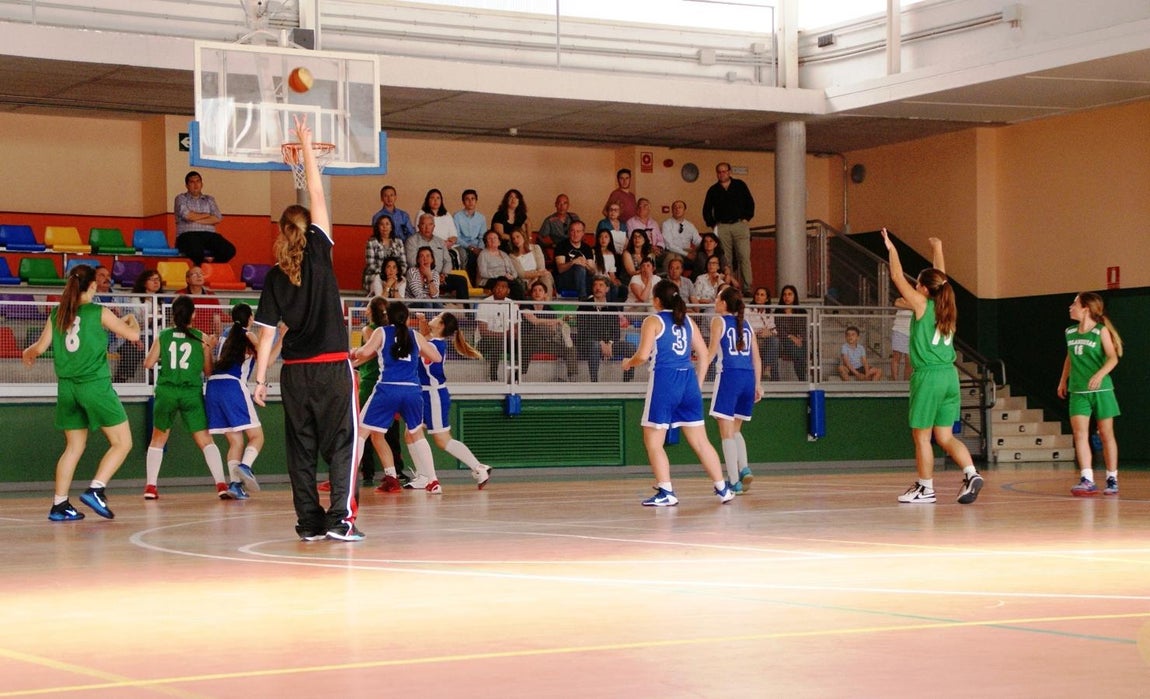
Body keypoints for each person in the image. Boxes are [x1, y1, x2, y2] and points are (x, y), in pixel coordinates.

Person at [252, 115, 363, 542]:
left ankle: (309, 524)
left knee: (301, 451)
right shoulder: (319, 251)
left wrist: (259, 380)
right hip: (332, 368)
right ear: (311, 228)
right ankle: (340, 520)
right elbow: (316, 192)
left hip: (295, 373)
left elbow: (266, 335)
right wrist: (306, 149)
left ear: (282, 233)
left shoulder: (274, 277)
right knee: (342, 445)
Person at [22, 264, 140, 521]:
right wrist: (133, 320)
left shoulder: (58, 313)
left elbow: (39, 348)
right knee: (122, 443)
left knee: (73, 447)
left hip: (67, 388)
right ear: (93, 285)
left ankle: (59, 504)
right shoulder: (99, 311)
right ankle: (96, 489)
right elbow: (133, 336)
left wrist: (27, 353)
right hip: (94, 385)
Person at [882, 228, 984, 505]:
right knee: (945, 436)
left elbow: (896, 276)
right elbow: (942, 278)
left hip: (928, 376)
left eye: (918, 285)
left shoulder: (923, 304)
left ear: (925, 290)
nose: (915, 288)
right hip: (950, 376)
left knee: (922, 437)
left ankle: (925, 488)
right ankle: (971, 473)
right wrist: (938, 248)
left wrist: (892, 249)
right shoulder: (946, 304)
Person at [621, 280, 734, 507]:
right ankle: (723, 488)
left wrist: (628, 363)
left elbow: (642, 356)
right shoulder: (688, 320)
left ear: (656, 300)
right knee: (701, 442)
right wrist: (697, 384)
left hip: (665, 381)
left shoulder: (653, 320)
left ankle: (666, 491)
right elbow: (704, 355)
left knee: (653, 441)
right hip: (688, 381)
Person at [142, 295, 232, 500]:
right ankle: (221, 484)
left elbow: (148, 363)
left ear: (173, 314)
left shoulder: (164, 335)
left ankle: (150, 487)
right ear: (194, 314)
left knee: (158, 439)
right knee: (205, 440)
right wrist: (209, 348)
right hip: (191, 392)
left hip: (167, 391)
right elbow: (208, 371)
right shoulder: (201, 338)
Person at [351, 300, 445, 493]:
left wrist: (354, 352)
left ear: (387, 316)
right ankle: (433, 480)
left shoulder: (381, 332)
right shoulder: (415, 335)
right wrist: (421, 349)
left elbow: (365, 351)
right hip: (412, 390)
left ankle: (348, 479)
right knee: (417, 434)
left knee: (362, 432)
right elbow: (436, 357)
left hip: (387, 388)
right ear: (407, 318)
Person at [1057, 291, 1123, 496]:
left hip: (1101, 390)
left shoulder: (1100, 331)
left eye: (1074, 304)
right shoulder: (1069, 332)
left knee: (1105, 433)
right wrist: (1063, 380)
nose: (1070, 307)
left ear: (1085, 309)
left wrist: (1099, 374)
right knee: (1079, 434)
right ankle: (1087, 478)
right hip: (1078, 390)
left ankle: (1112, 478)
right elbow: (1069, 358)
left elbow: (1113, 357)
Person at [420, 312, 493, 489]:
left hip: (433, 396)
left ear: (441, 325)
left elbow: (420, 343)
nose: (433, 317)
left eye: (437, 317)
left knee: (442, 440)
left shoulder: (434, 345)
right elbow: (425, 337)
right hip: (423, 394)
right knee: (411, 434)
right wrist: (422, 323)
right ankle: (423, 477)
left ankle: (479, 467)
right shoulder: (433, 341)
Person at [706, 286, 762, 495]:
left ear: (724, 303)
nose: (715, 301)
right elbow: (757, 358)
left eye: (717, 298)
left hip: (729, 376)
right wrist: (758, 384)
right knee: (736, 430)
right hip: (748, 377)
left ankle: (734, 481)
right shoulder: (746, 325)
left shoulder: (718, 321)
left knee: (726, 433)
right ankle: (744, 468)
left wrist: (696, 376)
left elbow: (711, 353)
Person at [205, 302, 265, 499]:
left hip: (213, 386)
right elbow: (266, 360)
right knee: (257, 437)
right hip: (232, 385)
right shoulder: (249, 336)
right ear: (250, 318)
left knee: (235, 441)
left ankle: (235, 485)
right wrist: (280, 339)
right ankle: (245, 466)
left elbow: (210, 368)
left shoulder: (225, 335)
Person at [353, 297, 405, 490]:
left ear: (370, 310)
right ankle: (394, 472)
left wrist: (352, 361)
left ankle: (362, 472)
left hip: (374, 382)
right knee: (387, 432)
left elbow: (371, 352)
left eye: (367, 306)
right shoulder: (397, 332)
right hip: (397, 384)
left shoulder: (372, 330)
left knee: (364, 430)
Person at [701, 162, 754, 291]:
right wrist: (713, 224)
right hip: (722, 226)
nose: (722, 174)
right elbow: (706, 209)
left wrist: (746, 218)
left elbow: (750, 202)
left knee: (744, 257)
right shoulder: (713, 190)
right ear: (717, 174)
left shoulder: (740, 185)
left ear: (729, 172)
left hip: (739, 224)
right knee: (726, 259)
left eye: (724, 171)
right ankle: (729, 287)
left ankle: (747, 288)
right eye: (719, 172)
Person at [575, 275, 636, 383]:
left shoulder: (612, 308)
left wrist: (610, 344)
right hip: (588, 344)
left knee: (630, 347)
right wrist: (600, 343)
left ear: (607, 289)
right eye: (595, 285)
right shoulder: (584, 306)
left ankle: (627, 382)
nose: (597, 288)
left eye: (601, 285)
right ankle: (594, 382)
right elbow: (583, 331)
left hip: (609, 344)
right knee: (595, 346)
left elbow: (616, 332)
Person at [175, 170, 236, 265]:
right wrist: (207, 215)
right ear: (187, 185)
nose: (196, 185)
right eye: (192, 182)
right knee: (196, 250)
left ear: (202, 184)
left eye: (198, 181)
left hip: (209, 235)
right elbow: (188, 216)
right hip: (187, 235)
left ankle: (210, 267)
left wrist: (195, 219)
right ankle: (201, 268)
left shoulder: (209, 199)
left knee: (229, 250)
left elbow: (217, 218)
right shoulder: (181, 198)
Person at [404, 213, 470, 300]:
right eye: (423, 224)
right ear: (418, 226)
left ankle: (464, 308)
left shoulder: (440, 241)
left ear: (434, 226)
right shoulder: (411, 241)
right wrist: (429, 274)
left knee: (461, 280)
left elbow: (448, 261)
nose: (427, 227)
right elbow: (412, 262)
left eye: (430, 224)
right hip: (420, 277)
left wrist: (444, 274)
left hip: (440, 276)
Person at [113, 268, 163, 383]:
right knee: (134, 349)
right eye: (152, 280)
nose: (156, 282)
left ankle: (157, 381)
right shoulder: (135, 300)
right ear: (144, 283)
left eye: (158, 279)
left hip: (159, 337)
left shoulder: (162, 302)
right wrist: (149, 319)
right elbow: (136, 323)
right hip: (140, 336)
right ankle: (121, 379)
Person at [521, 281, 577, 381]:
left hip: (545, 343)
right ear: (531, 294)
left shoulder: (549, 309)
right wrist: (556, 321)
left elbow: (553, 330)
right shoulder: (526, 306)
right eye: (534, 291)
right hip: (527, 341)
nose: (537, 293)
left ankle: (573, 379)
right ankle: (520, 375)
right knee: (541, 327)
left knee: (570, 348)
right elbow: (535, 321)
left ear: (545, 294)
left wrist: (554, 324)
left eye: (540, 290)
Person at [475, 276, 517, 382]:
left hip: (506, 341)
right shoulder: (484, 303)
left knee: (524, 343)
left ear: (508, 290)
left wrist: (508, 334)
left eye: (503, 287)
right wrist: (505, 334)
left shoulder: (512, 304)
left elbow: (515, 330)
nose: (499, 289)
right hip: (485, 342)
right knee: (497, 341)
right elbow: (483, 332)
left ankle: (517, 377)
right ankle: (493, 377)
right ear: (493, 289)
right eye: (497, 286)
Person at [766, 284, 807, 381]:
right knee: (796, 349)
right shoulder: (777, 312)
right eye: (784, 294)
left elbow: (804, 329)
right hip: (783, 341)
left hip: (799, 341)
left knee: (800, 348)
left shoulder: (802, 311)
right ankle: (803, 380)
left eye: (789, 294)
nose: (787, 297)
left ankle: (803, 380)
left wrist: (800, 338)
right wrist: (790, 336)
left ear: (794, 296)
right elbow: (778, 329)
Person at [421, 188, 465, 270]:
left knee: (462, 253)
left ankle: (460, 276)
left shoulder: (447, 215)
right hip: (431, 245)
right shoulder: (422, 214)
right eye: (432, 198)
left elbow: (454, 235)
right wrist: (441, 243)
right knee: (449, 256)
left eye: (438, 198)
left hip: (448, 245)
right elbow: (422, 234)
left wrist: (450, 242)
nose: (435, 200)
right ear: (427, 200)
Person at [363, 213, 406, 296]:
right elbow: (371, 265)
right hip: (376, 275)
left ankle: (398, 302)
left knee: (402, 280)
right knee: (377, 279)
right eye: (381, 224)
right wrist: (386, 273)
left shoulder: (399, 242)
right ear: (378, 227)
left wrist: (394, 273)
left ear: (391, 227)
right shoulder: (372, 242)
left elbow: (403, 264)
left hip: (395, 275)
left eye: (387, 224)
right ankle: (380, 301)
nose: (384, 227)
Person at [554, 220, 596, 299]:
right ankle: (583, 298)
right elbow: (560, 269)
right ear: (569, 232)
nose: (575, 234)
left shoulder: (587, 248)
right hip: (565, 280)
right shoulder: (561, 246)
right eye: (572, 231)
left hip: (583, 279)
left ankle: (602, 305)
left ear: (583, 233)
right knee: (579, 268)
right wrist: (573, 262)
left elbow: (592, 271)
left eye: (578, 231)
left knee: (602, 282)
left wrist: (585, 264)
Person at [476, 229, 523, 297]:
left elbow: (514, 272)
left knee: (517, 286)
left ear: (499, 242)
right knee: (503, 285)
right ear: (486, 242)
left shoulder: (504, 254)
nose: (493, 240)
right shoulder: (483, 254)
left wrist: (512, 276)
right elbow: (483, 273)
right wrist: (500, 275)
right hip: (490, 280)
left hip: (506, 279)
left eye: (495, 238)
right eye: (489, 238)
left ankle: (519, 303)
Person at [509, 228, 554, 298]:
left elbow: (541, 267)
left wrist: (534, 280)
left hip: (539, 277)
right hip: (525, 281)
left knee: (546, 277)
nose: (516, 240)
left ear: (523, 236)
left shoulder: (536, 248)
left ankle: (547, 303)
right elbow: (522, 274)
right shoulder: (512, 256)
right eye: (513, 239)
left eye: (518, 237)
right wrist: (534, 277)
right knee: (544, 275)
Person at [453, 189, 487, 278]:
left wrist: (480, 248)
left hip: (478, 246)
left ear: (476, 201)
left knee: (486, 255)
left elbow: (482, 237)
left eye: (473, 199)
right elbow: (457, 237)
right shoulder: (457, 216)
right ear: (463, 202)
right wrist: (470, 247)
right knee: (471, 256)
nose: (470, 201)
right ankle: (469, 281)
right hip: (463, 245)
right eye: (467, 199)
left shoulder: (481, 218)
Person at [746, 287, 779, 380]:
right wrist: (757, 333)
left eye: (762, 295)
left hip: (765, 341)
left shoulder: (769, 312)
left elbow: (774, 330)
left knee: (774, 341)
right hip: (752, 340)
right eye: (757, 294)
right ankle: (773, 378)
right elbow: (745, 328)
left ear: (767, 299)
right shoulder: (747, 310)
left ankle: (767, 370)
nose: (758, 297)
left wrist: (768, 333)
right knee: (773, 350)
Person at [661, 200, 701, 267]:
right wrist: (686, 254)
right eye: (675, 207)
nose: (677, 209)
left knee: (702, 256)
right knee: (676, 258)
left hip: (688, 250)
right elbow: (669, 245)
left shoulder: (690, 225)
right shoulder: (666, 224)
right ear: (672, 210)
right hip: (672, 251)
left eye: (680, 207)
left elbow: (697, 240)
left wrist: (703, 247)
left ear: (684, 210)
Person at [591, 228, 625, 301]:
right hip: (596, 278)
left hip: (607, 279)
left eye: (606, 237)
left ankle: (612, 307)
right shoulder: (593, 251)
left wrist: (615, 280)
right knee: (607, 288)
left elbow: (612, 274)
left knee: (620, 287)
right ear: (598, 239)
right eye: (601, 237)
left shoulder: (611, 254)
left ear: (610, 239)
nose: (603, 239)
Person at [891, 305, 913, 381]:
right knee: (896, 357)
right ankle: (895, 383)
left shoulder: (919, 300)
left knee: (909, 360)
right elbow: (897, 303)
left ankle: (905, 383)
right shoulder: (901, 300)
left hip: (912, 332)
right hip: (899, 330)